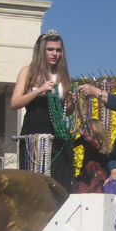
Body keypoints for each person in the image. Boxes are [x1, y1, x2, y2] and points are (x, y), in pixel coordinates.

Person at [11, 30, 75, 192]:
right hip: (34, 135)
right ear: (41, 50)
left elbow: (67, 112)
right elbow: (15, 102)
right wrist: (39, 90)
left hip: (58, 137)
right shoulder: (28, 72)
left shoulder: (62, 76)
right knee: (33, 182)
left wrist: (72, 103)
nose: (55, 54)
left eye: (58, 50)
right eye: (50, 49)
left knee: (59, 182)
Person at [72, 119, 110, 193]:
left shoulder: (88, 140)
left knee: (89, 188)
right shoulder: (101, 143)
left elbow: (73, 144)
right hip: (99, 173)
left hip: (92, 171)